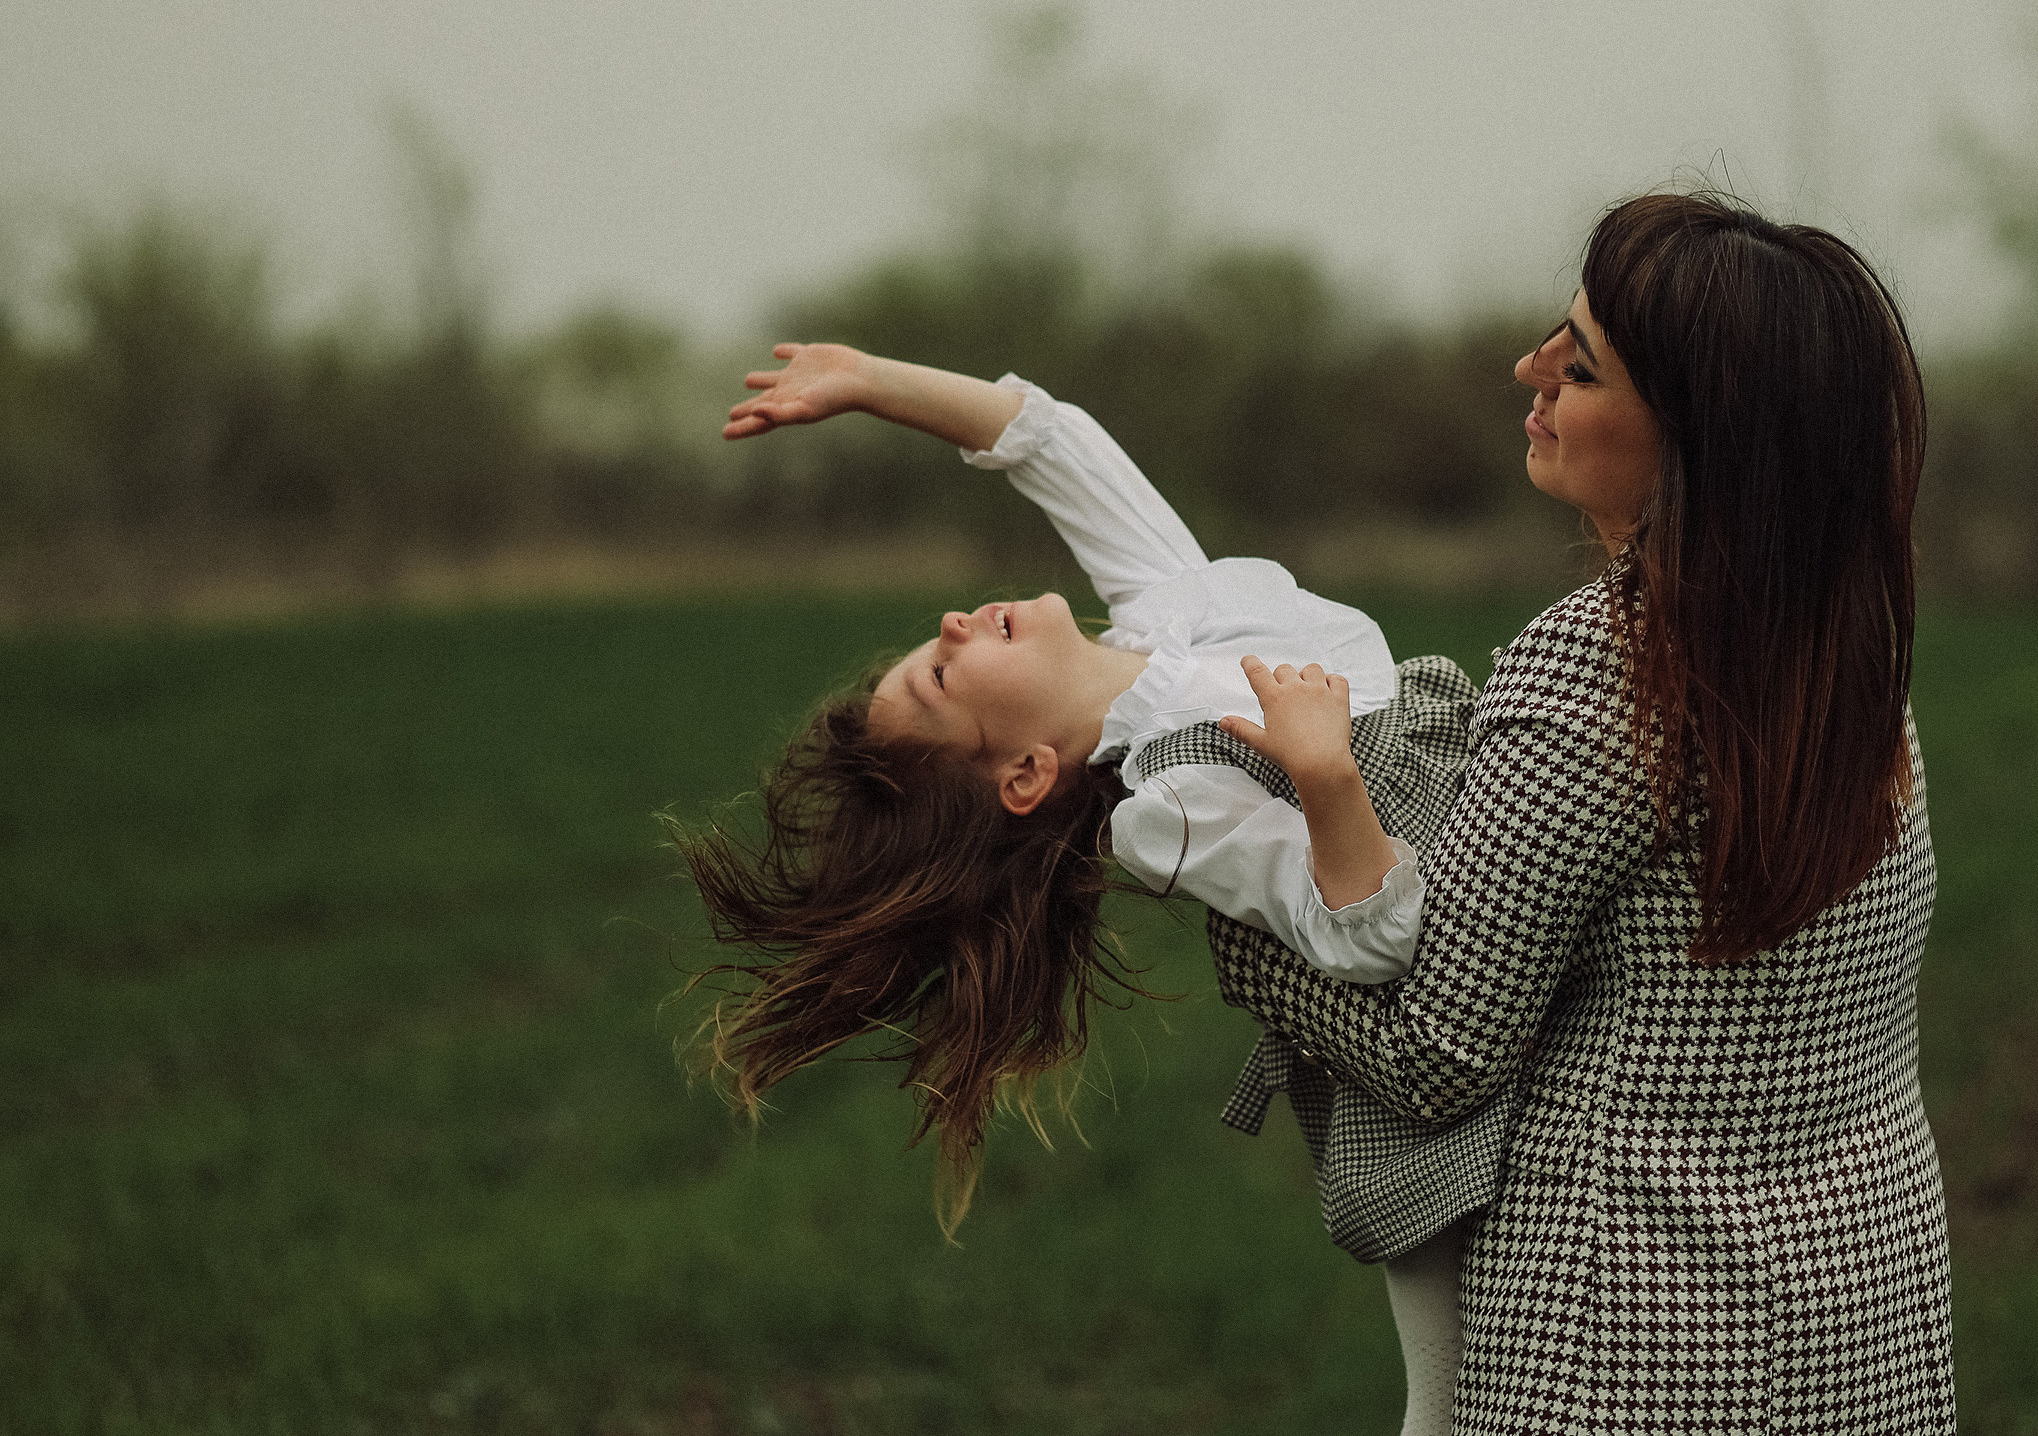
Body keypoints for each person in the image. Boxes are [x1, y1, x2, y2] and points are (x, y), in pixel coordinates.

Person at [1209, 191, 1956, 1432]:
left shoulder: (1604, 667)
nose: (1531, 370)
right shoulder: (1849, 649)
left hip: (1623, 1344)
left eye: (1584, 363)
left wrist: (1235, 888)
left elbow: (1434, 1053)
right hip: (1866, 1321)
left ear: (1694, 436)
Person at [676, 347, 1500, 1435]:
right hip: (1424, 1098)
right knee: (1457, 1411)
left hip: (1505, 973)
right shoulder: (1170, 795)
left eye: (935, 638)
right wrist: (1329, 777)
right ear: (1022, 775)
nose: (958, 622)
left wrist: (870, 383)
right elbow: (1369, 935)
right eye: (941, 672)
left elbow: (1051, 439)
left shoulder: (1169, 615)